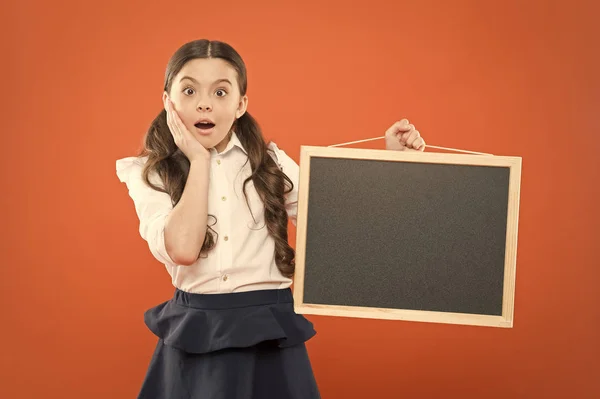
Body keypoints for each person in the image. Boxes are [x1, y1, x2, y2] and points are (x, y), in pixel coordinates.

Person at [115, 39, 425, 399]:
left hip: (270, 332)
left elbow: (343, 225)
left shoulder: (270, 163)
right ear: (168, 101)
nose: (204, 102)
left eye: (220, 92)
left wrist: (393, 163)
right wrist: (198, 161)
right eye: (189, 90)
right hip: (198, 333)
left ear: (241, 104)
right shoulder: (147, 172)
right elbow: (183, 248)